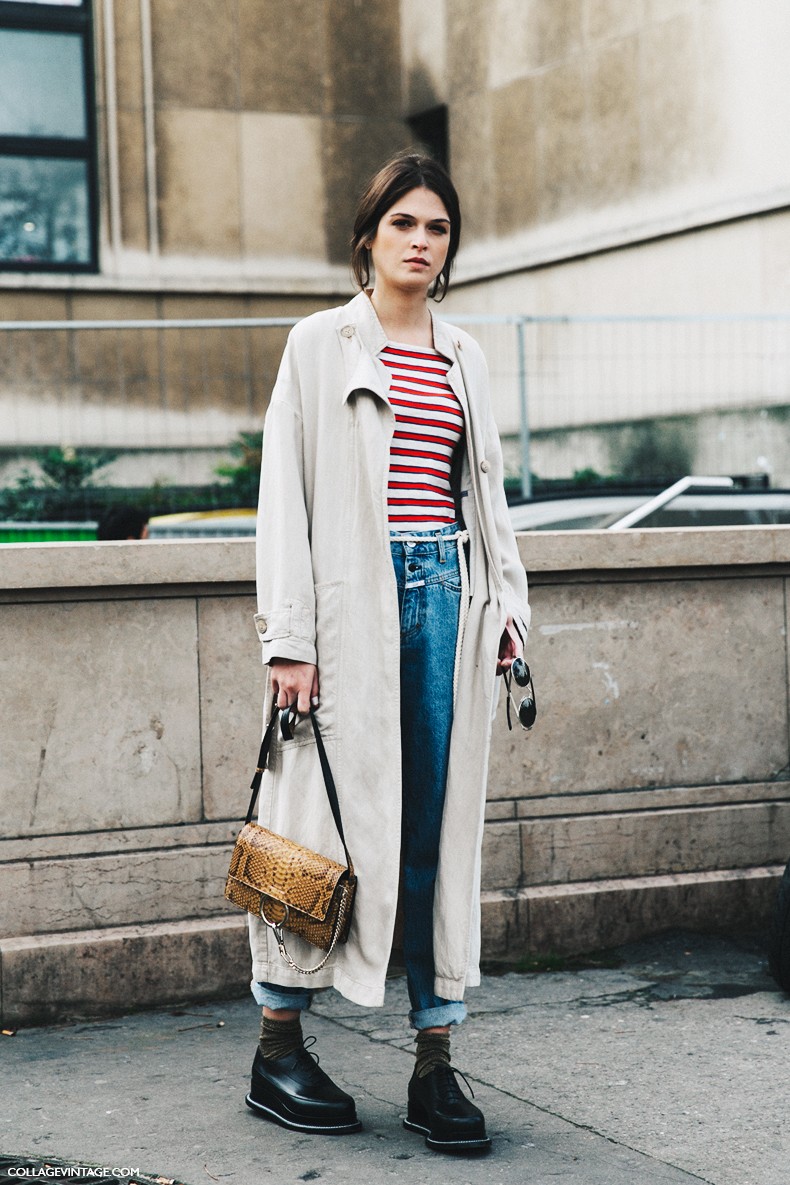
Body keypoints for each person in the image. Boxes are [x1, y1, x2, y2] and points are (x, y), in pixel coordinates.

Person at [246, 152, 530, 1153]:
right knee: (321, 830)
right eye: (404, 222)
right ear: (368, 234)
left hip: (447, 602)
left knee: (433, 837)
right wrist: (290, 640)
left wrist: (506, 610)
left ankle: (435, 1065)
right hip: (346, 609)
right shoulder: (319, 344)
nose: (421, 240)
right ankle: (278, 1045)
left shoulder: (464, 355)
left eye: (438, 227)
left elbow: (483, 498)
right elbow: (286, 497)